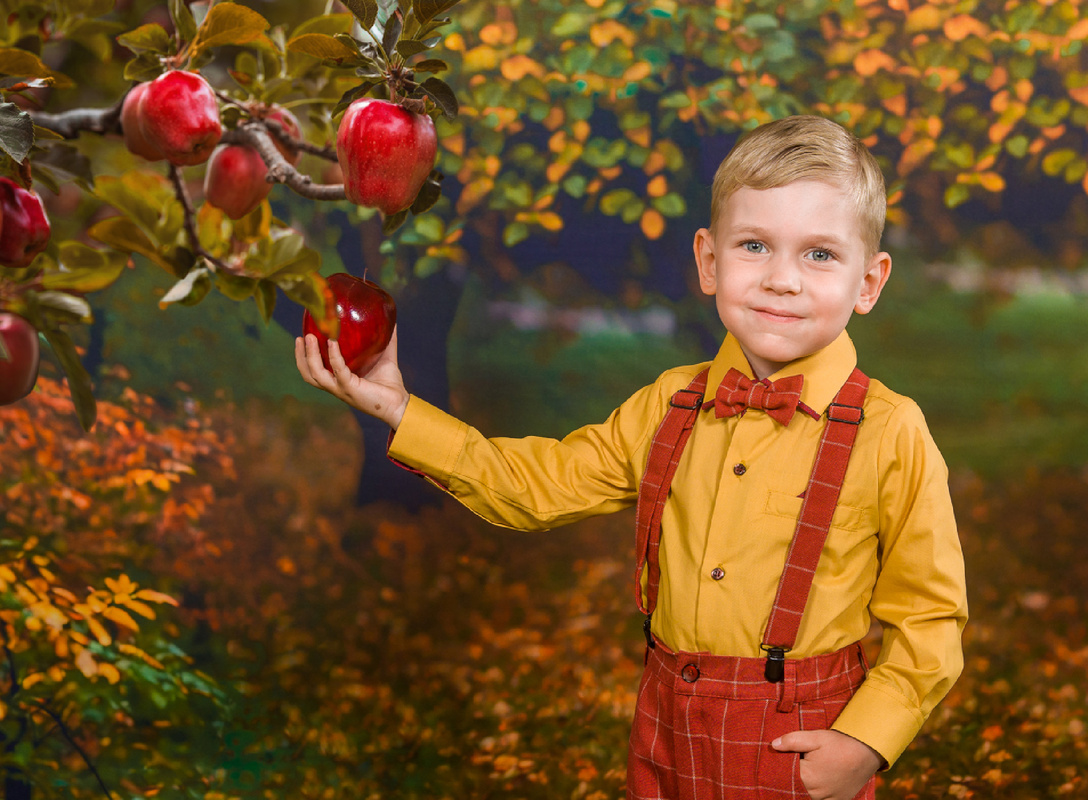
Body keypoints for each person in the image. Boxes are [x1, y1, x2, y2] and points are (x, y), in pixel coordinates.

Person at [295, 115, 967, 800]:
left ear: (869, 281)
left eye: (820, 254)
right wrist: (399, 409)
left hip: (802, 743)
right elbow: (539, 486)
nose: (782, 280)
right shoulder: (667, 406)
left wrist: (865, 742)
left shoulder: (890, 432)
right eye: (755, 246)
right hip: (666, 728)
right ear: (709, 261)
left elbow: (931, 618)